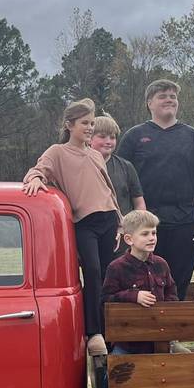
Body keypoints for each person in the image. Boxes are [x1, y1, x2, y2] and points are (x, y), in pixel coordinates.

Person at [23, 98, 119, 357]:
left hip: (108, 218)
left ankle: (113, 330)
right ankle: (94, 332)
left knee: (111, 274)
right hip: (84, 222)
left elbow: (107, 189)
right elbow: (38, 169)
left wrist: (119, 220)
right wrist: (35, 179)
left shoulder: (96, 154)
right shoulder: (58, 151)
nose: (89, 128)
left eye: (92, 123)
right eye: (84, 123)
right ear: (69, 125)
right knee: (93, 270)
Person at [117, 79, 194, 301]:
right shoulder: (134, 136)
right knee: (144, 282)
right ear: (149, 102)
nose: (169, 100)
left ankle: (171, 334)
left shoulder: (193, 137)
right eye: (163, 96)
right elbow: (121, 180)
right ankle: (146, 334)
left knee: (176, 285)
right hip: (146, 225)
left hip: (186, 224)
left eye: (173, 96)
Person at [102, 209, 176, 355]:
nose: (151, 238)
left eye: (154, 233)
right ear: (129, 239)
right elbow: (105, 300)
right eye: (145, 234)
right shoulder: (116, 267)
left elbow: (171, 292)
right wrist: (133, 296)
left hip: (160, 339)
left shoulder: (161, 264)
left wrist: (167, 315)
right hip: (128, 343)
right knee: (117, 372)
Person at [89, 114, 145, 217]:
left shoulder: (126, 167)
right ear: (89, 138)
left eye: (112, 137)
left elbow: (139, 203)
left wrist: (137, 227)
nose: (108, 142)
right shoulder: (80, 165)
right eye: (102, 137)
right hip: (90, 228)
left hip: (123, 229)